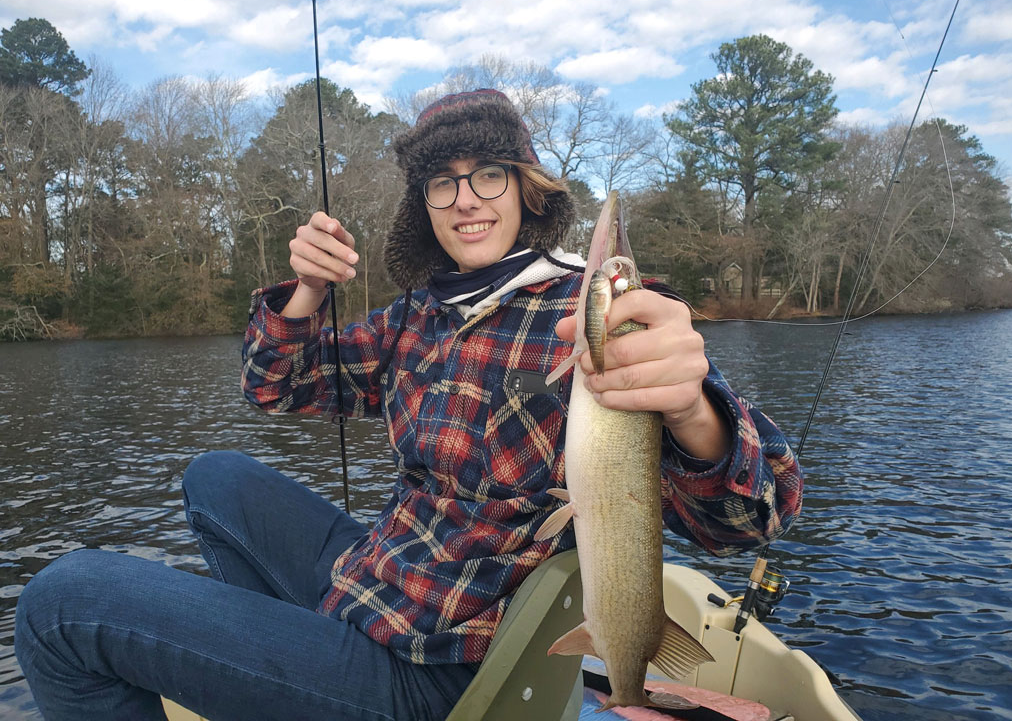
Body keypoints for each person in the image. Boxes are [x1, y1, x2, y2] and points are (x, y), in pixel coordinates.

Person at [14, 89, 802, 721]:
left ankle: (294, 677)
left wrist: (693, 410)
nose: (466, 199)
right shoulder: (418, 317)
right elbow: (272, 385)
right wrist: (307, 292)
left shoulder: (605, 313)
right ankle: (278, 679)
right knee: (214, 477)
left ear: (527, 190)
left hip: (440, 672)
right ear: (423, 203)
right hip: (383, 584)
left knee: (59, 605)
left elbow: (748, 518)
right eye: (441, 181)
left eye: (488, 173)